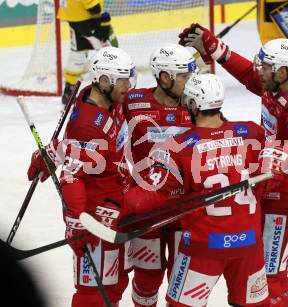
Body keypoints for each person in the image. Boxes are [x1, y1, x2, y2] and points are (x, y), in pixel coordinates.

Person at [178, 24, 288, 306]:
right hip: (274, 189)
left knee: (270, 278)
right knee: (263, 276)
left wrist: (279, 153)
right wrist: (215, 48)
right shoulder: (275, 87)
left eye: (266, 67)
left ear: (283, 72)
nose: (261, 70)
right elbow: (247, 73)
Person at [124, 73, 272, 306]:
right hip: (249, 246)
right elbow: (283, 165)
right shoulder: (252, 133)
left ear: (192, 104)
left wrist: (115, 206)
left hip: (203, 249)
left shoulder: (178, 147)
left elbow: (151, 195)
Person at [27, 46, 136, 306]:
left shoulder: (99, 96)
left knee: (117, 280)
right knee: (94, 295)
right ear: (104, 80)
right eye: (122, 79)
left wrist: (54, 151)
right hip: (96, 213)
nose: (127, 86)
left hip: (117, 199)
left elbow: (76, 145)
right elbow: (72, 178)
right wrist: (79, 222)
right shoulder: (89, 124)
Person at [123, 43, 197, 307]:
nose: (191, 83)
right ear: (164, 77)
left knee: (182, 280)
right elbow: (104, 135)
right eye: (185, 77)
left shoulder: (197, 104)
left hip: (185, 209)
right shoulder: (132, 102)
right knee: (147, 279)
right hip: (146, 209)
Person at [58, 0, 118, 104]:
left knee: (78, 54)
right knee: (111, 51)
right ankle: (114, 89)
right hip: (88, 16)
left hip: (73, 16)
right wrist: (95, 9)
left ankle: (69, 90)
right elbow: (93, 6)